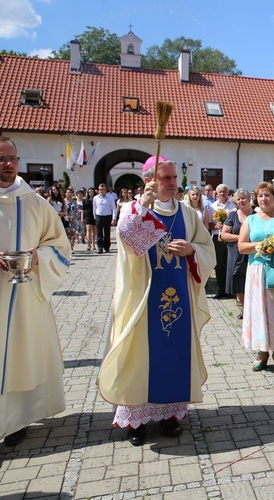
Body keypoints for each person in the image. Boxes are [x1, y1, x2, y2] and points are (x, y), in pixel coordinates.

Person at [98, 157, 216, 446]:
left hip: (179, 297)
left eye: (174, 177)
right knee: (139, 356)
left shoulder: (188, 213)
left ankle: (170, 415)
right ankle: (135, 420)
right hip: (143, 295)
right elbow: (128, 245)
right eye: (165, 178)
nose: (173, 183)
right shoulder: (132, 209)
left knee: (176, 354)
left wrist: (191, 250)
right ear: (149, 180)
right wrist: (141, 210)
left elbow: (206, 248)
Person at [0, 136, 71, 464]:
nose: (8, 164)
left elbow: (59, 245)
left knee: (21, 356)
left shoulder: (34, 202)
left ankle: (16, 421)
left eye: (12, 158)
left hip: (27, 298)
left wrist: (37, 255)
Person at [238, 182, 274, 372]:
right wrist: (260, 246)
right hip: (256, 271)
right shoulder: (250, 220)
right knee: (259, 310)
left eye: (268, 196)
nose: (264, 199)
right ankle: (261, 352)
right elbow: (241, 245)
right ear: (257, 199)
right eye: (261, 196)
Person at [221, 188, 252, 318]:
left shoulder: (256, 214)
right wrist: (241, 238)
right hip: (235, 251)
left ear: (249, 199)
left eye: (243, 198)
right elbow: (224, 235)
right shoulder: (233, 215)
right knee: (236, 280)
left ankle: (252, 308)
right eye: (238, 199)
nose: (241, 201)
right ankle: (245, 309)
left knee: (250, 280)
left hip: (251, 252)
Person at [208, 184, 236, 299]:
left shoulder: (233, 206)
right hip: (217, 237)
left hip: (229, 236)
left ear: (227, 193)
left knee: (230, 263)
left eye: (224, 191)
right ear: (217, 193)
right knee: (219, 265)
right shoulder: (212, 207)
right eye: (220, 192)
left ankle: (231, 289)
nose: (222, 194)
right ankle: (221, 289)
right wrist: (216, 225)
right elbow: (209, 223)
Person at [93, 183, 117, 253]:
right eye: (100, 190)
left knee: (107, 233)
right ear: (98, 190)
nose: (102, 191)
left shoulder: (110, 198)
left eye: (103, 189)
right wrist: (95, 217)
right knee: (99, 233)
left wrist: (114, 218)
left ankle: (106, 247)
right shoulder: (96, 198)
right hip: (99, 216)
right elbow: (94, 208)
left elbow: (113, 208)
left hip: (107, 216)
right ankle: (100, 248)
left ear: (105, 190)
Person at [83, 187, 97, 251]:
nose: (90, 193)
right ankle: (89, 244)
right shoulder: (85, 200)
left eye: (92, 191)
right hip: (87, 215)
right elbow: (83, 209)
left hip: (95, 215)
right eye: (89, 192)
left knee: (94, 230)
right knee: (88, 229)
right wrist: (82, 217)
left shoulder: (96, 199)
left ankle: (93, 243)